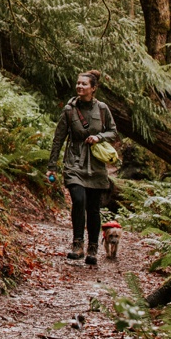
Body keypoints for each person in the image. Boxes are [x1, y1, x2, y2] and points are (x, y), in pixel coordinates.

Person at [46, 69, 117, 265]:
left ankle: (93, 248)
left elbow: (113, 132)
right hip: (74, 162)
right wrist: (52, 166)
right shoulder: (69, 110)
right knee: (78, 200)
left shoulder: (102, 109)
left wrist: (99, 137)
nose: (80, 86)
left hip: (95, 165)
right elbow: (58, 138)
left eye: (84, 84)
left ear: (93, 88)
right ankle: (77, 244)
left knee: (93, 208)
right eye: (78, 83)